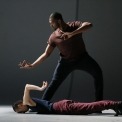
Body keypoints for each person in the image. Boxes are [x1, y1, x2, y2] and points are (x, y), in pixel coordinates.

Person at [19, 12, 103, 101]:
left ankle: (99, 103)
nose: (50, 24)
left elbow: (89, 25)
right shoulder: (54, 36)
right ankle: (42, 104)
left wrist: (72, 33)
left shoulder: (74, 25)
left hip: (83, 58)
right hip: (65, 63)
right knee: (54, 83)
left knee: (98, 73)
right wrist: (32, 65)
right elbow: (46, 53)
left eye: (52, 22)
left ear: (59, 20)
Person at [12, 82, 122, 116]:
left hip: (62, 107)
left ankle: (116, 104)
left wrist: (41, 88)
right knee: (90, 108)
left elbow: (26, 86)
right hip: (62, 106)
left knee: (90, 106)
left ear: (20, 105)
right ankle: (115, 106)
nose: (22, 113)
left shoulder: (28, 103)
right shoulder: (31, 107)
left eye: (20, 111)